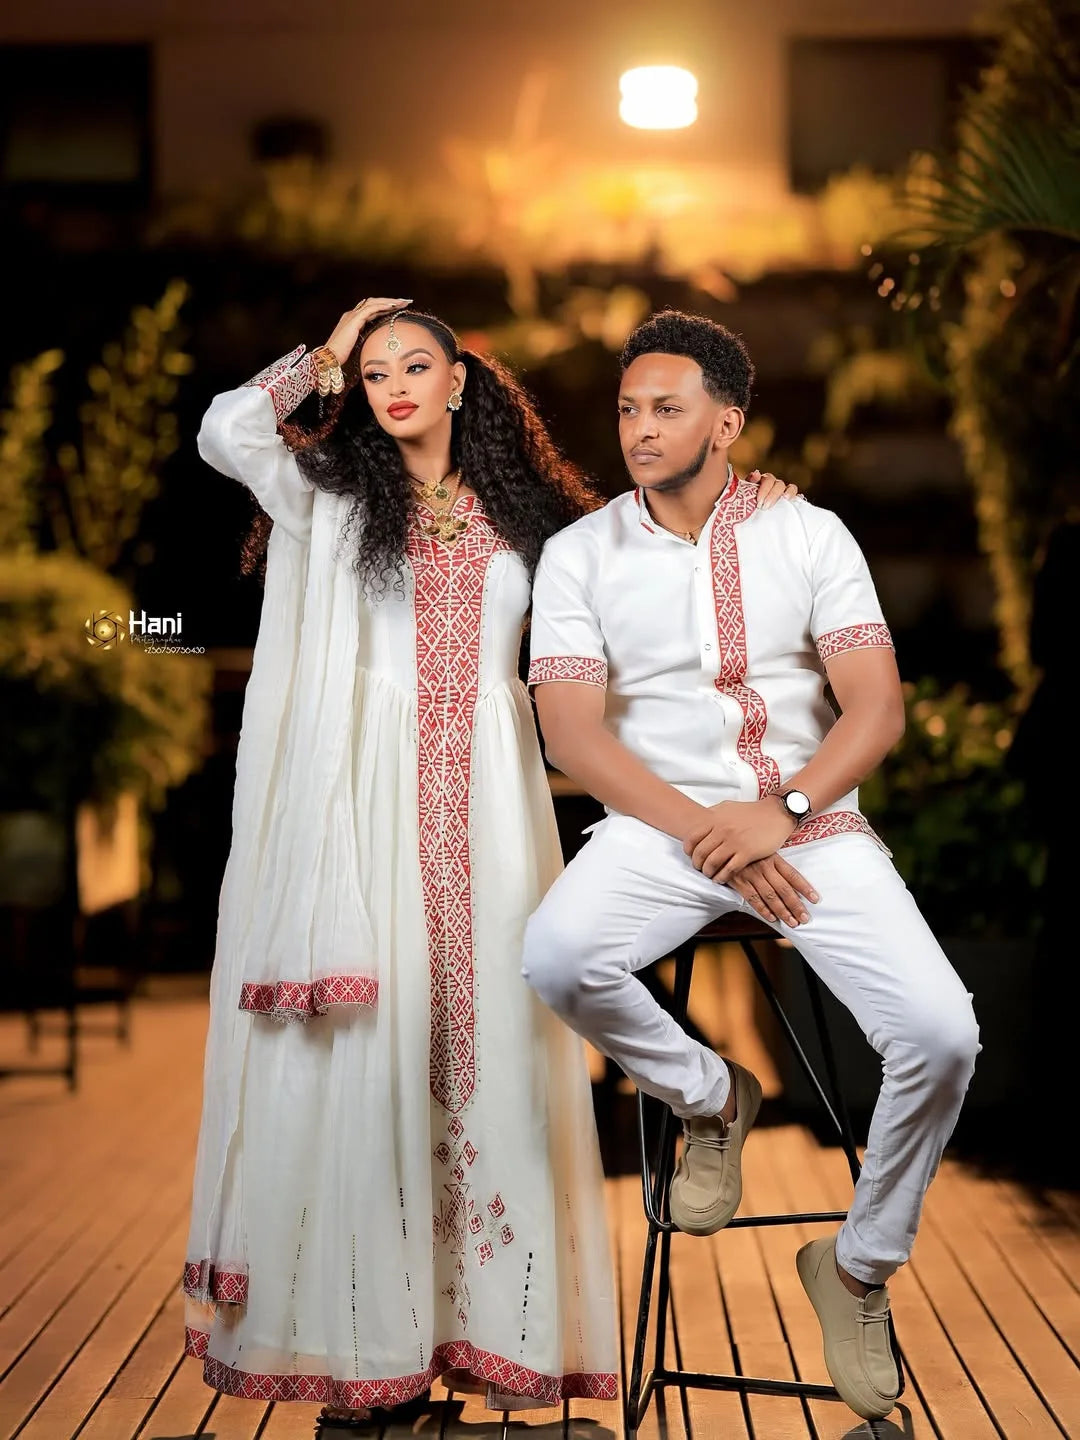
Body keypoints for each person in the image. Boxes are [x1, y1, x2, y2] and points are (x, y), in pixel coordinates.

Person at [184, 296, 796, 1427]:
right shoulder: (323, 500)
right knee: (376, 1069)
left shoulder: (535, 523)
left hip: (492, 822)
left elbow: (658, 611)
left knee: (489, 1063)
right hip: (363, 828)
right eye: (375, 374)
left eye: (418, 364)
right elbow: (227, 433)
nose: (398, 386)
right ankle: (374, 1363)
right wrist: (326, 347)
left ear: (461, 380)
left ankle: (472, 1347)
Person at [521, 309, 981, 1425]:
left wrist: (781, 811)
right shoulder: (580, 553)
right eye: (629, 408)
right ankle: (711, 1093)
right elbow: (573, 739)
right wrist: (710, 833)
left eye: (667, 408)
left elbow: (876, 710)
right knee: (560, 956)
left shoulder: (809, 532)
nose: (639, 427)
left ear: (728, 423)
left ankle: (859, 1267)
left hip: (809, 823)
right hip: (657, 830)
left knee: (943, 1036)